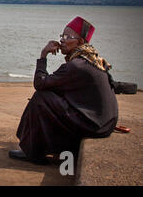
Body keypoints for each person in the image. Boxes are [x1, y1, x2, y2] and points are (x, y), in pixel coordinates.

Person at [9, 16, 118, 164]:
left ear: (80, 42)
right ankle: (38, 145)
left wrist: (43, 55)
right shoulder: (92, 60)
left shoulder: (75, 66)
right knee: (49, 96)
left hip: (94, 125)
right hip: (104, 123)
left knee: (41, 97)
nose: (62, 40)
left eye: (68, 37)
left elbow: (40, 84)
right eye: (62, 36)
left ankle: (33, 152)